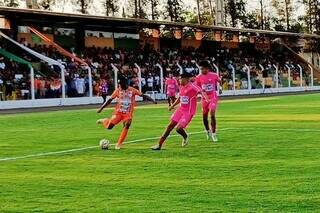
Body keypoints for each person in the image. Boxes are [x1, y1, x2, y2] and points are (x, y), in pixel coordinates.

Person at [151, 72, 208, 150]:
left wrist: (206, 98)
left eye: (180, 79)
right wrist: (172, 106)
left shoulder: (192, 86)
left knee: (178, 129)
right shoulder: (181, 86)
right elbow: (180, 98)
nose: (179, 80)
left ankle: (185, 136)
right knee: (169, 126)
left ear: (186, 79)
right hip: (180, 109)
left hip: (188, 112)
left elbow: (201, 91)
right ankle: (159, 145)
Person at [96, 77, 157, 150]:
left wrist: (153, 100)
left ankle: (118, 144)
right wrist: (101, 108)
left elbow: (143, 95)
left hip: (127, 113)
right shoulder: (118, 90)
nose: (119, 86)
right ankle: (105, 120)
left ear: (125, 84)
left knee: (127, 124)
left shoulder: (132, 90)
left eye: (121, 85)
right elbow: (110, 100)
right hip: (118, 112)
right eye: (119, 85)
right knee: (109, 127)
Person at [195, 60, 222, 142]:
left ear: (207, 68)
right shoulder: (198, 77)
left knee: (212, 114)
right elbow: (197, 88)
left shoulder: (214, 75)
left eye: (203, 69)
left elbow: (220, 81)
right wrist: (199, 93)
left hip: (213, 96)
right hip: (204, 98)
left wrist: (220, 88)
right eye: (200, 69)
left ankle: (214, 134)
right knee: (204, 116)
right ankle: (207, 131)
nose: (201, 71)